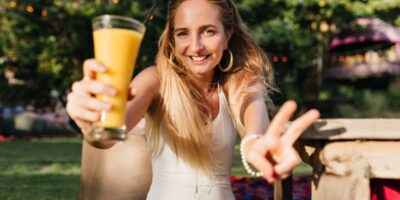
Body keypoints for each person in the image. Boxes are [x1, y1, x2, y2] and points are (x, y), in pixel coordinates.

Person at [66, 0, 320, 199]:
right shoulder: (154, 80)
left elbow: (254, 124)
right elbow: (110, 133)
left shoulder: (241, 83)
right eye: (183, 33)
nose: (196, 46)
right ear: (173, 39)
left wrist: (256, 146)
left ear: (228, 34)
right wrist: (90, 119)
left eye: (208, 31)